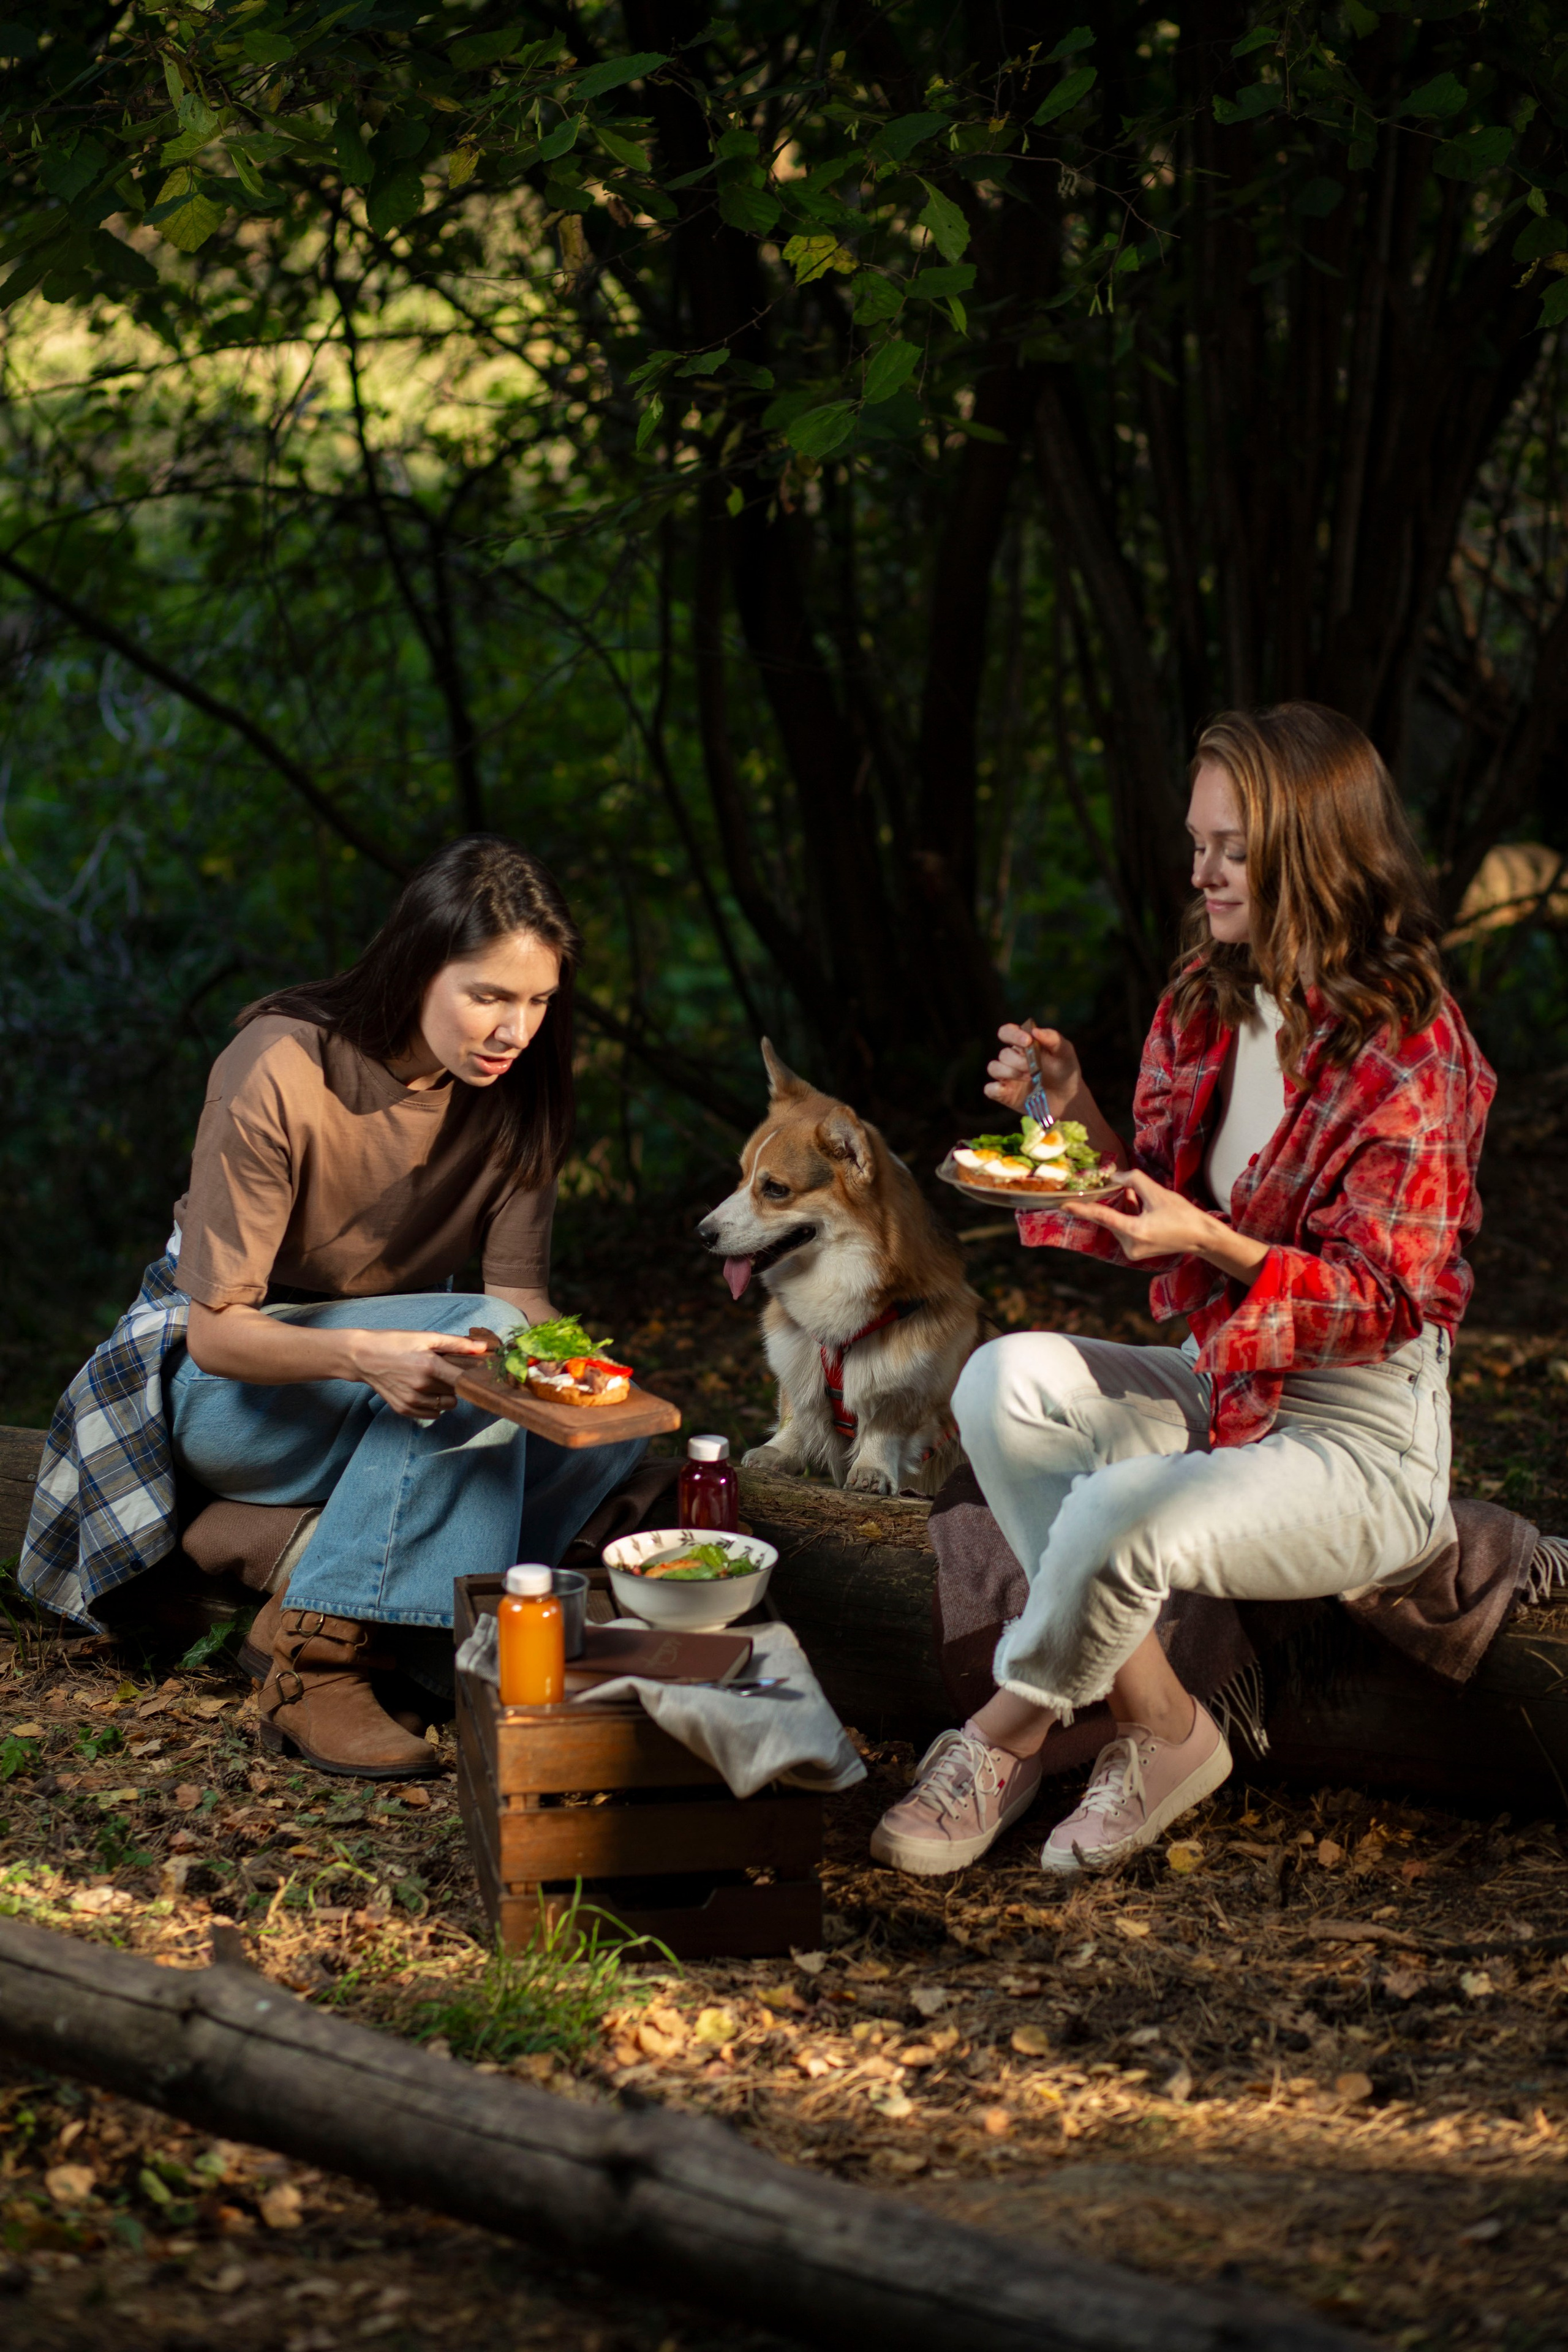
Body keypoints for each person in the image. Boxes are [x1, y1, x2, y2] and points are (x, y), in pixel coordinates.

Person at [871, 703, 1494, 1877]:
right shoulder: (1205, 1005)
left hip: (1361, 1438)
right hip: (1230, 1385)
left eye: (1232, 850)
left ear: (1315, 852)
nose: (1199, 871)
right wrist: (1069, 1111)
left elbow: (1387, 1301)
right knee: (1003, 1377)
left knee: (1118, 1509)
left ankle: (1001, 1736)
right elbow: (1148, 1207)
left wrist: (1212, 1239)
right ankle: (1164, 1727)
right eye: (1198, 841)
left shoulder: (1414, 1047)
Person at [21, 837, 643, 1778]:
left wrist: (585, 1390)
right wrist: (370, 1358)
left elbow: (518, 1298)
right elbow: (222, 1333)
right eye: (487, 995)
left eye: (538, 1000)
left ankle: (288, 1561)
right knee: (472, 1351)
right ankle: (318, 1661)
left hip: (396, 1375)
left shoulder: (523, 1090)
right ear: (417, 967)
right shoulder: (276, 1064)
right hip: (229, 1391)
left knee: (609, 1427)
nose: (514, 1029)